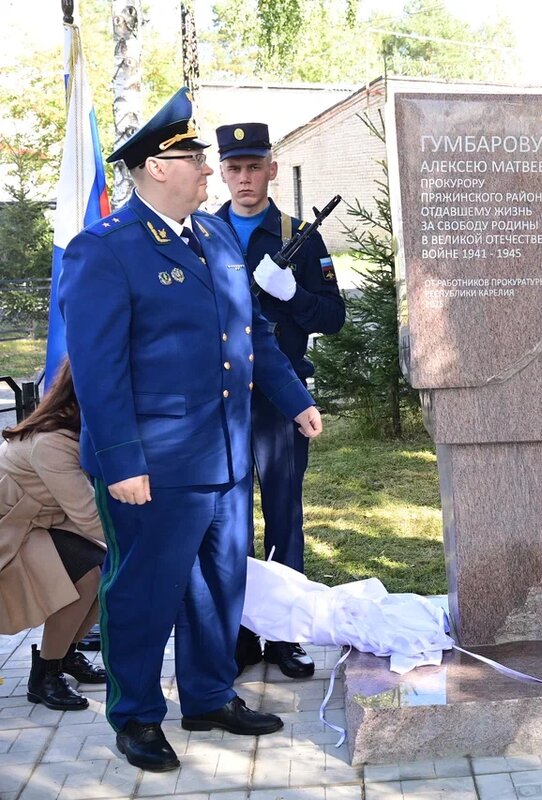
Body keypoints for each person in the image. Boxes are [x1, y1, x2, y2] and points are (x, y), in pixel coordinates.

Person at [58, 87, 323, 772]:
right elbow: (98, 370)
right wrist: (120, 460)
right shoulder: (106, 251)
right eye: (196, 161)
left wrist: (293, 399)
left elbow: (253, 332)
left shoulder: (209, 236)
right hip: (154, 463)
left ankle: (208, 696)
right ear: (153, 168)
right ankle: (137, 715)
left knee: (218, 585)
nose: (211, 172)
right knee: (144, 591)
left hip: (226, 456)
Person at [215, 122, 346, 679]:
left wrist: (293, 297)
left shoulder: (299, 234)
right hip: (220, 398)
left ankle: (284, 634)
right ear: (222, 173)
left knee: (284, 514)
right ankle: (240, 631)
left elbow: (333, 316)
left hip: (282, 398)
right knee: (229, 519)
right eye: (233, 168)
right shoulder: (203, 230)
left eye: (254, 167)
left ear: (272, 168)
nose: (244, 179)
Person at [0, 361, 107, 711]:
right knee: (86, 573)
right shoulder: (53, 442)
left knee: (100, 567)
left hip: (31, 526)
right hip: (9, 536)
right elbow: (88, 515)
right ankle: (45, 675)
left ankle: (63, 656)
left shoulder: (69, 428)